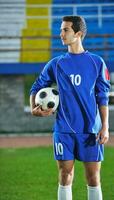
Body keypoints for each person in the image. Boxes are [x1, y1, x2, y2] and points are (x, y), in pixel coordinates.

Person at [30, 16, 110, 200]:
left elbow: (102, 97)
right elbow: (36, 87)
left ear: (79, 34)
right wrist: (33, 108)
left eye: (66, 30)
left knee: (93, 178)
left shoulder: (96, 62)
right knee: (65, 176)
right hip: (64, 130)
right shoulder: (56, 63)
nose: (61, 34)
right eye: (61, 30)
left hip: (91, 130)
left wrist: (105, 126)